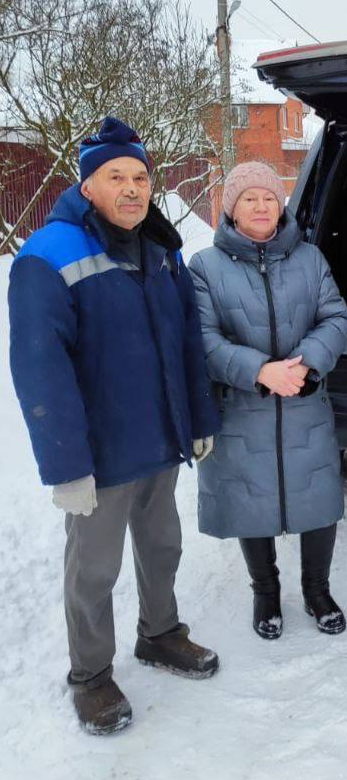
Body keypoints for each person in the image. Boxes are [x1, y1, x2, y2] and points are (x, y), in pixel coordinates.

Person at [9, 117, 221, 736]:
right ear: (88, 184)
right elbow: (39, 369)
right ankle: (91, 676)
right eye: (116, 177)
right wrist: (65, 466)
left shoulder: (161, 244)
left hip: (158, 437)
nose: (132, 189)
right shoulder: (48, 256)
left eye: (140, 177)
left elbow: (186, 339)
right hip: (98, 453)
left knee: (162, 546)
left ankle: (159, 635)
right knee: (94, 569)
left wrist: (198, 418)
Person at [188, 161, 347, 641]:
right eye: (248, 199)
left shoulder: (310, 259)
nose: (261, 206)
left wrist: (307, 363)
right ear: (231, 209)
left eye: (268, 197)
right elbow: (201, 337)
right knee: (249, 500)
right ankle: (265, 591)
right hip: (243, 407)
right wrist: (259, 370)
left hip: (304, 401)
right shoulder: (205, 267)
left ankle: (317, 591)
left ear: (281, 203)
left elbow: (337, 318)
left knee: (318, 499)